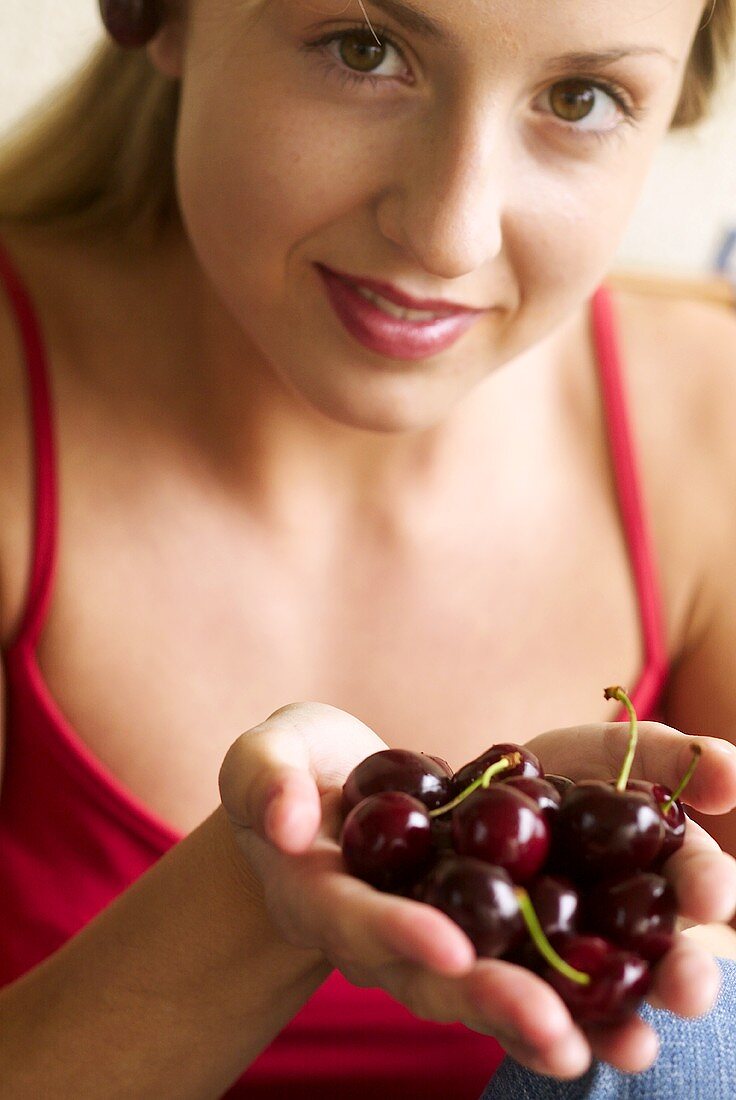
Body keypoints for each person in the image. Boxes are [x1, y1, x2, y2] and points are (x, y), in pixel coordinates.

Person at [1, 0, 736, 1097]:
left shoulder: (705, 427)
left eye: (579, 99)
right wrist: (257, 898)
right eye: (363, 48)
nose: (451, 231)